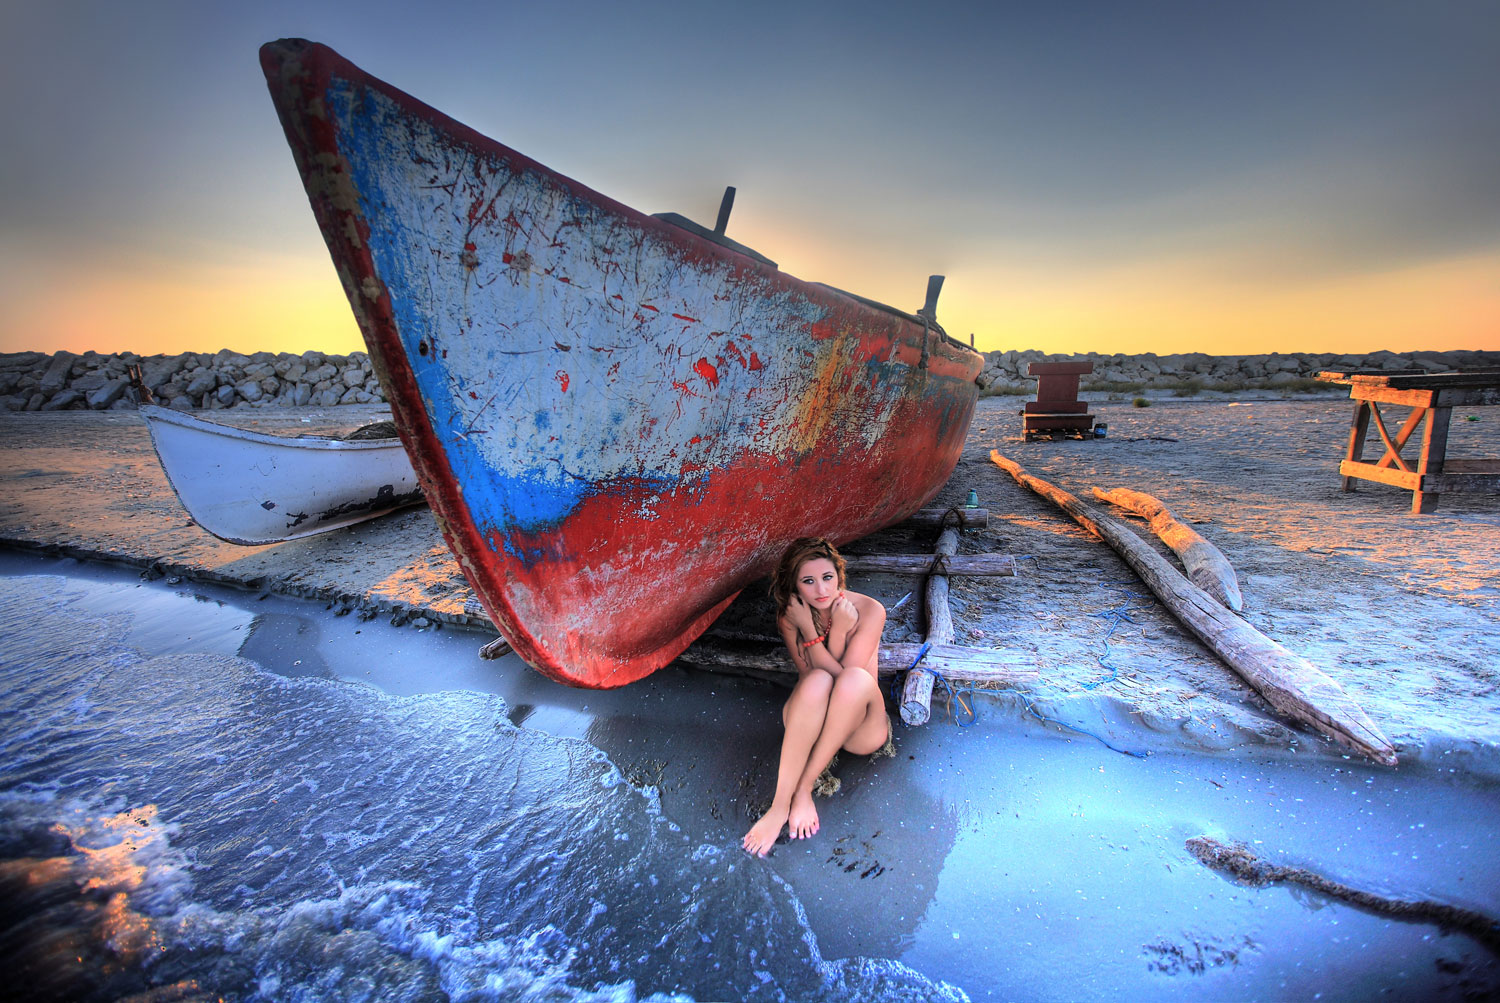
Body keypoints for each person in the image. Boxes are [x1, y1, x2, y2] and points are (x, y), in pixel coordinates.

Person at [742, 537, 889, 856]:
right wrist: (809, 629)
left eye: (828, 577)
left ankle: (803, 789)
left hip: (859, 728)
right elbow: (816, 678)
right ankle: (779, 806)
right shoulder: (792, 615)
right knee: (817, 680)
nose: (822, 590)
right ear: (794, 586)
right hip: (812, 720)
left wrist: (830, 632)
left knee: (853, 679)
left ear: (839, 575)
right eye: (808, 581)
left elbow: (844, 680)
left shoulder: (869, 610)